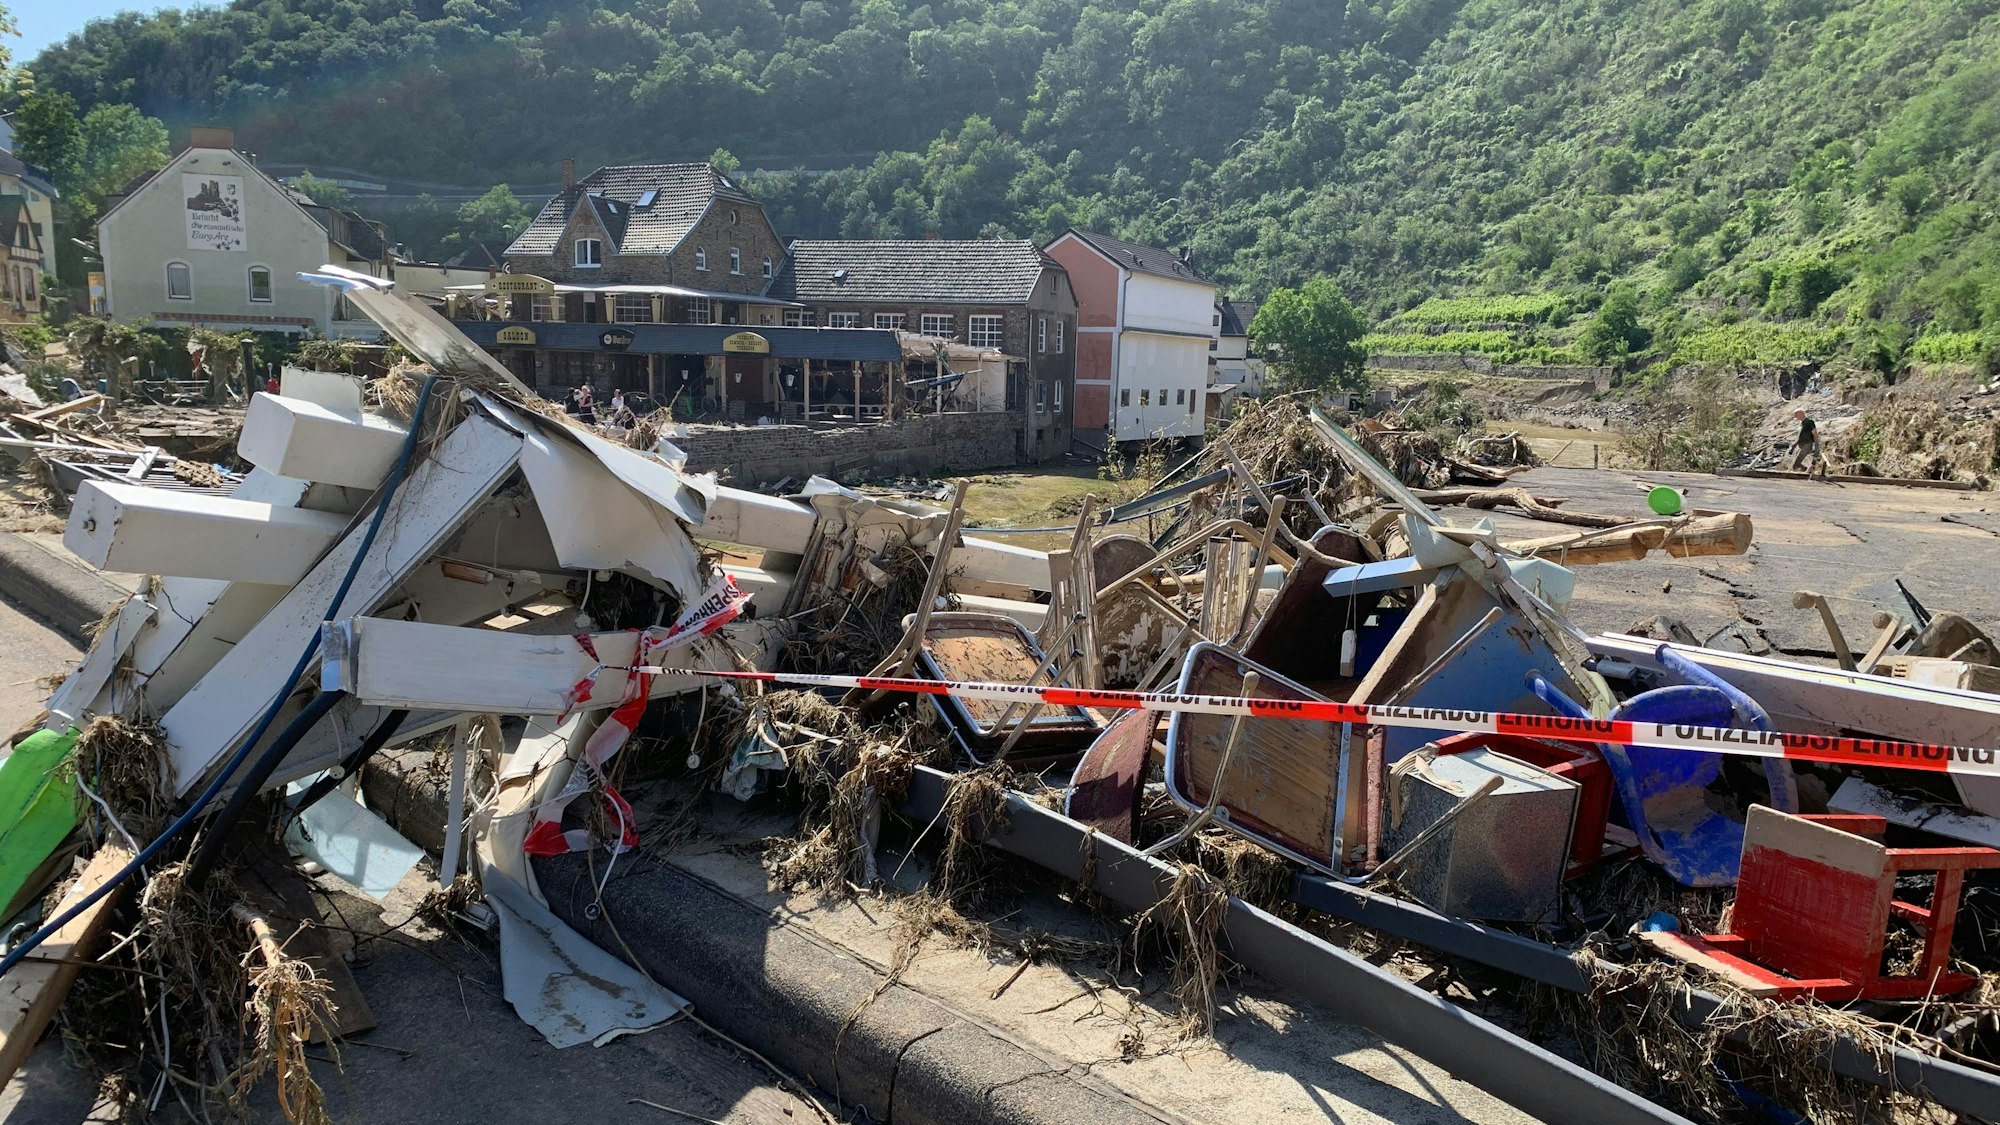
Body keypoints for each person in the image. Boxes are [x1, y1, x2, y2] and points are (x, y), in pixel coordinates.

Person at [1789, 408, 1824, 478]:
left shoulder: (1809, 422)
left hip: (1807, 444)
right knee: (1796, 464)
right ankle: (1807, 472)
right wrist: (1794, 446)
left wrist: (1816, 445)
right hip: (1801, 445)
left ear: (1801, 414)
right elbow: (1800, 435)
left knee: (1796, 464)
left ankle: (1807, 473)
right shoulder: (1801, 424)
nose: (1795, 416)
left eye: (1796, 415)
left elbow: (1815, 434)